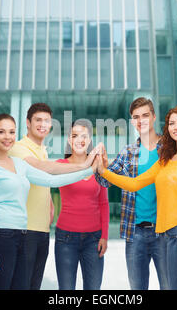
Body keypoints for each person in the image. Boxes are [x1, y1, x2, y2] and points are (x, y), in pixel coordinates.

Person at [0, 113, 97, 290]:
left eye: (11, 132)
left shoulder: (20, 164)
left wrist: (88, 170)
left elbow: (51, 180)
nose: (7, 137)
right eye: (1, 132)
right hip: (0, 237)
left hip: (23, 236)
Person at [97, 105, 177, 290]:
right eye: (172, 123)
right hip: (163, 235)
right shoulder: (165, 159)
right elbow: (135, 184)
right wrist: (103, 171)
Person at [8, 103, 98, 290]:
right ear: (28, 123)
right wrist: (85, 166)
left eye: (47, 121)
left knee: (34, 285)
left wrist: (49, 202)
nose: (43, 124)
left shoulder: (43, 151)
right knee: (21, 284)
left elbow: (42, 179)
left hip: (42, 231)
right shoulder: (18, 148)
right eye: (38, 120)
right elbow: (43, 168)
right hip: (24, 230)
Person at [95, 97, 169, 290]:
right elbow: (104, 181)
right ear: (132, 122)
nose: (141, 120)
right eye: (136, 117)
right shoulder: (128, 151)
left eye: (145, 115)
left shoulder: (169, 150)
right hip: (135, 233)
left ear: (153, 117)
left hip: (165, 232)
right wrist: (103, 165)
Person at [54, 120, 109, 290]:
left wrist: (104, 236)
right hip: (65, 239)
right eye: (75, 136)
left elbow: (104, 203)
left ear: (90, 139)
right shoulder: (60, 165)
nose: (80, 139)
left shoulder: (98, 167)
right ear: (69, 141)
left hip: (94, 240)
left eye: (84, 135)